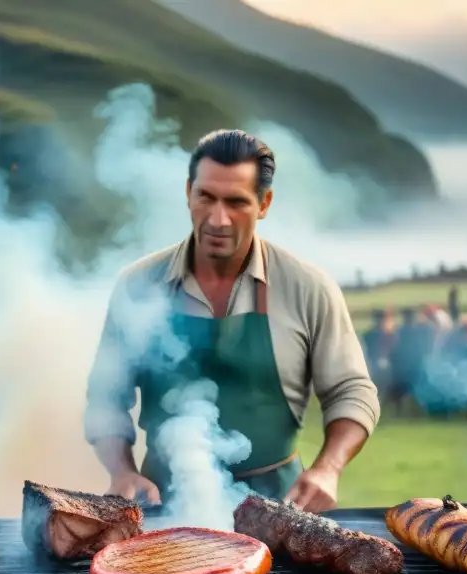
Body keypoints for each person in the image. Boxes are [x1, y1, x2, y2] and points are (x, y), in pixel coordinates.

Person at [83, 129, 379, 513]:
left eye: (236, 202)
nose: (217, 219)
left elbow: (352, 391)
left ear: (264, 203)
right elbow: (106, 397)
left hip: (281, 509)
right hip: (162, 507)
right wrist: (121, 471)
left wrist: (328, 468)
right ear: (189, 191)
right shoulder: (138, 285)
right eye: (206, 197)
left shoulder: (308, 287)